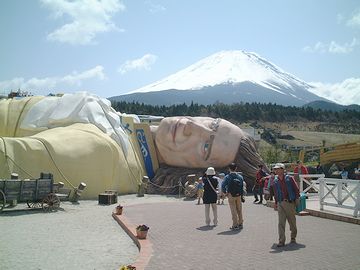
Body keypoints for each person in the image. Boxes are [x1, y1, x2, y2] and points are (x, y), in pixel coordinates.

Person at [0, 92, 268, 198]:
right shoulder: (127, 128)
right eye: (211, 123)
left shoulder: (107, 153)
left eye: (205, 147)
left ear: (192, 171)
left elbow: (10, 157)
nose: (190, 127)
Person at [272, 163, 300, 247]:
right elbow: (276, 193)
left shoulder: (289, 178)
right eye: (275, 169)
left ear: (283, 169)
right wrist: (276, 203)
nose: (276, 170)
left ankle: (293, 237)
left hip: (289, 203)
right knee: (281, 223)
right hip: (280, 203)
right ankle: (281, 241)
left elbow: (296, 190)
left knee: (292, 223)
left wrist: (297, 201)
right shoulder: (275, 180)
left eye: (277, 169)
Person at [222, 163, 245, 230]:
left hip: (231, 195)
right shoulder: (240, 177)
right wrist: (242, 195)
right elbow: (242, 186)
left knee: (233, 210)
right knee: (239, 210)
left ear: (229, 169)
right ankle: (240, 223)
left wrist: (225, 192)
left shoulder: (227, 177)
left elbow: (223, 185)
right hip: (239, 195)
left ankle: (235, 225)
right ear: (236, 168)